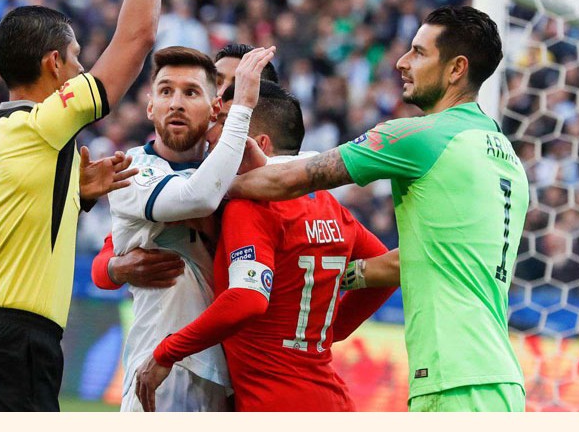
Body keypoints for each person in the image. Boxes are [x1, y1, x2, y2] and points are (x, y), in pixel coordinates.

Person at [229, 6, 530, 412]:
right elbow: (429, 257)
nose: (401, 63)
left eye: (419, 53)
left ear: (456, 68)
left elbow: (287, 180)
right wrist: (342, 275)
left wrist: (198, 191)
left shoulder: (419, 137)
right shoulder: (505, 157)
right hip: (498, 379)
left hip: (453, 380)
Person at [0, 0, 165, 412]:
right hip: (18, 340)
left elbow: (13, 225)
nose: (83, 69)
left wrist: (71, 194)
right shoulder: (42, 124)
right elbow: (138, 38)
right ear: (54, 63)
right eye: (77, 57)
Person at [134, 81, 394, 411]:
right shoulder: (328, 205)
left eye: (227, 129)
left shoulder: (251, 206)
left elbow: (248, 299)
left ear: (258, 144)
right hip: (331, 400)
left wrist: (166, 352)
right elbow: (386, 270)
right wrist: (330, 329)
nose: (215, 140)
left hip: (274, 404)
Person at [107, 45, 275, 412]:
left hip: (226, 375)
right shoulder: (131, 170)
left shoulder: (228, 170)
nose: (176, 103)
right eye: (166, 91)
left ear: (214, 108)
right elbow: (198, 197)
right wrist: (243, 107)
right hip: (164, 372)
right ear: (150, 106)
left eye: (191, 92)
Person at [90, 42, 279, 291]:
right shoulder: (144, 167)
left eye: (238, 85)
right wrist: (114, 268)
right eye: (218, 81)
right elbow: (109, 252)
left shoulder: (279, 165)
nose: (222, 94)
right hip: (178, 328)